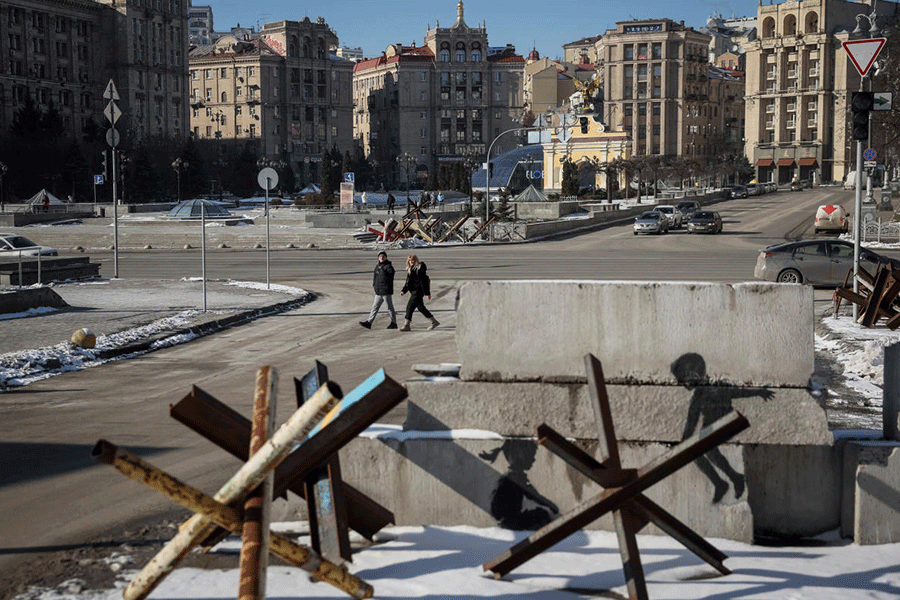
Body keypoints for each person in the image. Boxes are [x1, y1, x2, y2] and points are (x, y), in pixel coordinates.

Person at [399, 254, 439, 331]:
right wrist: (403, 290)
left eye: (413, 260)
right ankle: (434, 321)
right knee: (421, 308)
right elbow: (408, 282)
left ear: (416, 260)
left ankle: (406, 325)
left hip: (418, 291)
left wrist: (427, 293)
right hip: (413, 291)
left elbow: (423, 281)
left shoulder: (420, 268)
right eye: (410, 260)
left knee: (409, 307)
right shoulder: (410, 269)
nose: (411, 261)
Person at [359, 251, 397, 329]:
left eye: (383, 256)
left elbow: (391, 274)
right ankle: (369, 322)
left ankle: (394, 323)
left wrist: (387, 282)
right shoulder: (377, 266)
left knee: (390, 307)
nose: (382, 258)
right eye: (380, 256)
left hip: (386, 291)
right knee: (374, 307)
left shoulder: (388, 266)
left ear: (386, 257)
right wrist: (374, 285)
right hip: (378, 291)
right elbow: (375, 277)